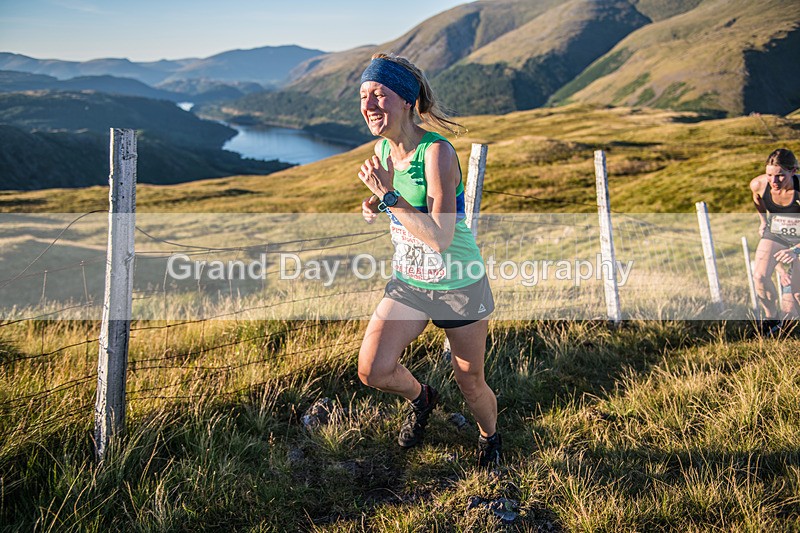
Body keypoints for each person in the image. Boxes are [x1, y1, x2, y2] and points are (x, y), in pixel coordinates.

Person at [355, 53, 501, 468]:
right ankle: (422, 399)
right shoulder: (383, 148)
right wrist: (376, 202)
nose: (369, 105)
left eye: (379, 95)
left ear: (405, 100)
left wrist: (388, 197)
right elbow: (401, 203)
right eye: (364, 96)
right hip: (412, 283)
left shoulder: (436, 153)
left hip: (458, 284)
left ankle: (490, 436)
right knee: (373, 370)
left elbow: (439, 236)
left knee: (470, 381)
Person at [749, 148, 800, 334]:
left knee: (796, 296)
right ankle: (771, 320)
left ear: (793, 171)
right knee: (759, 277)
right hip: (777, 233)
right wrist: (763, 221)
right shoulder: (758, 184)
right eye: (770, 175)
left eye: (780, 176)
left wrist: (795, 251)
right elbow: (757, 199)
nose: (774, 181)